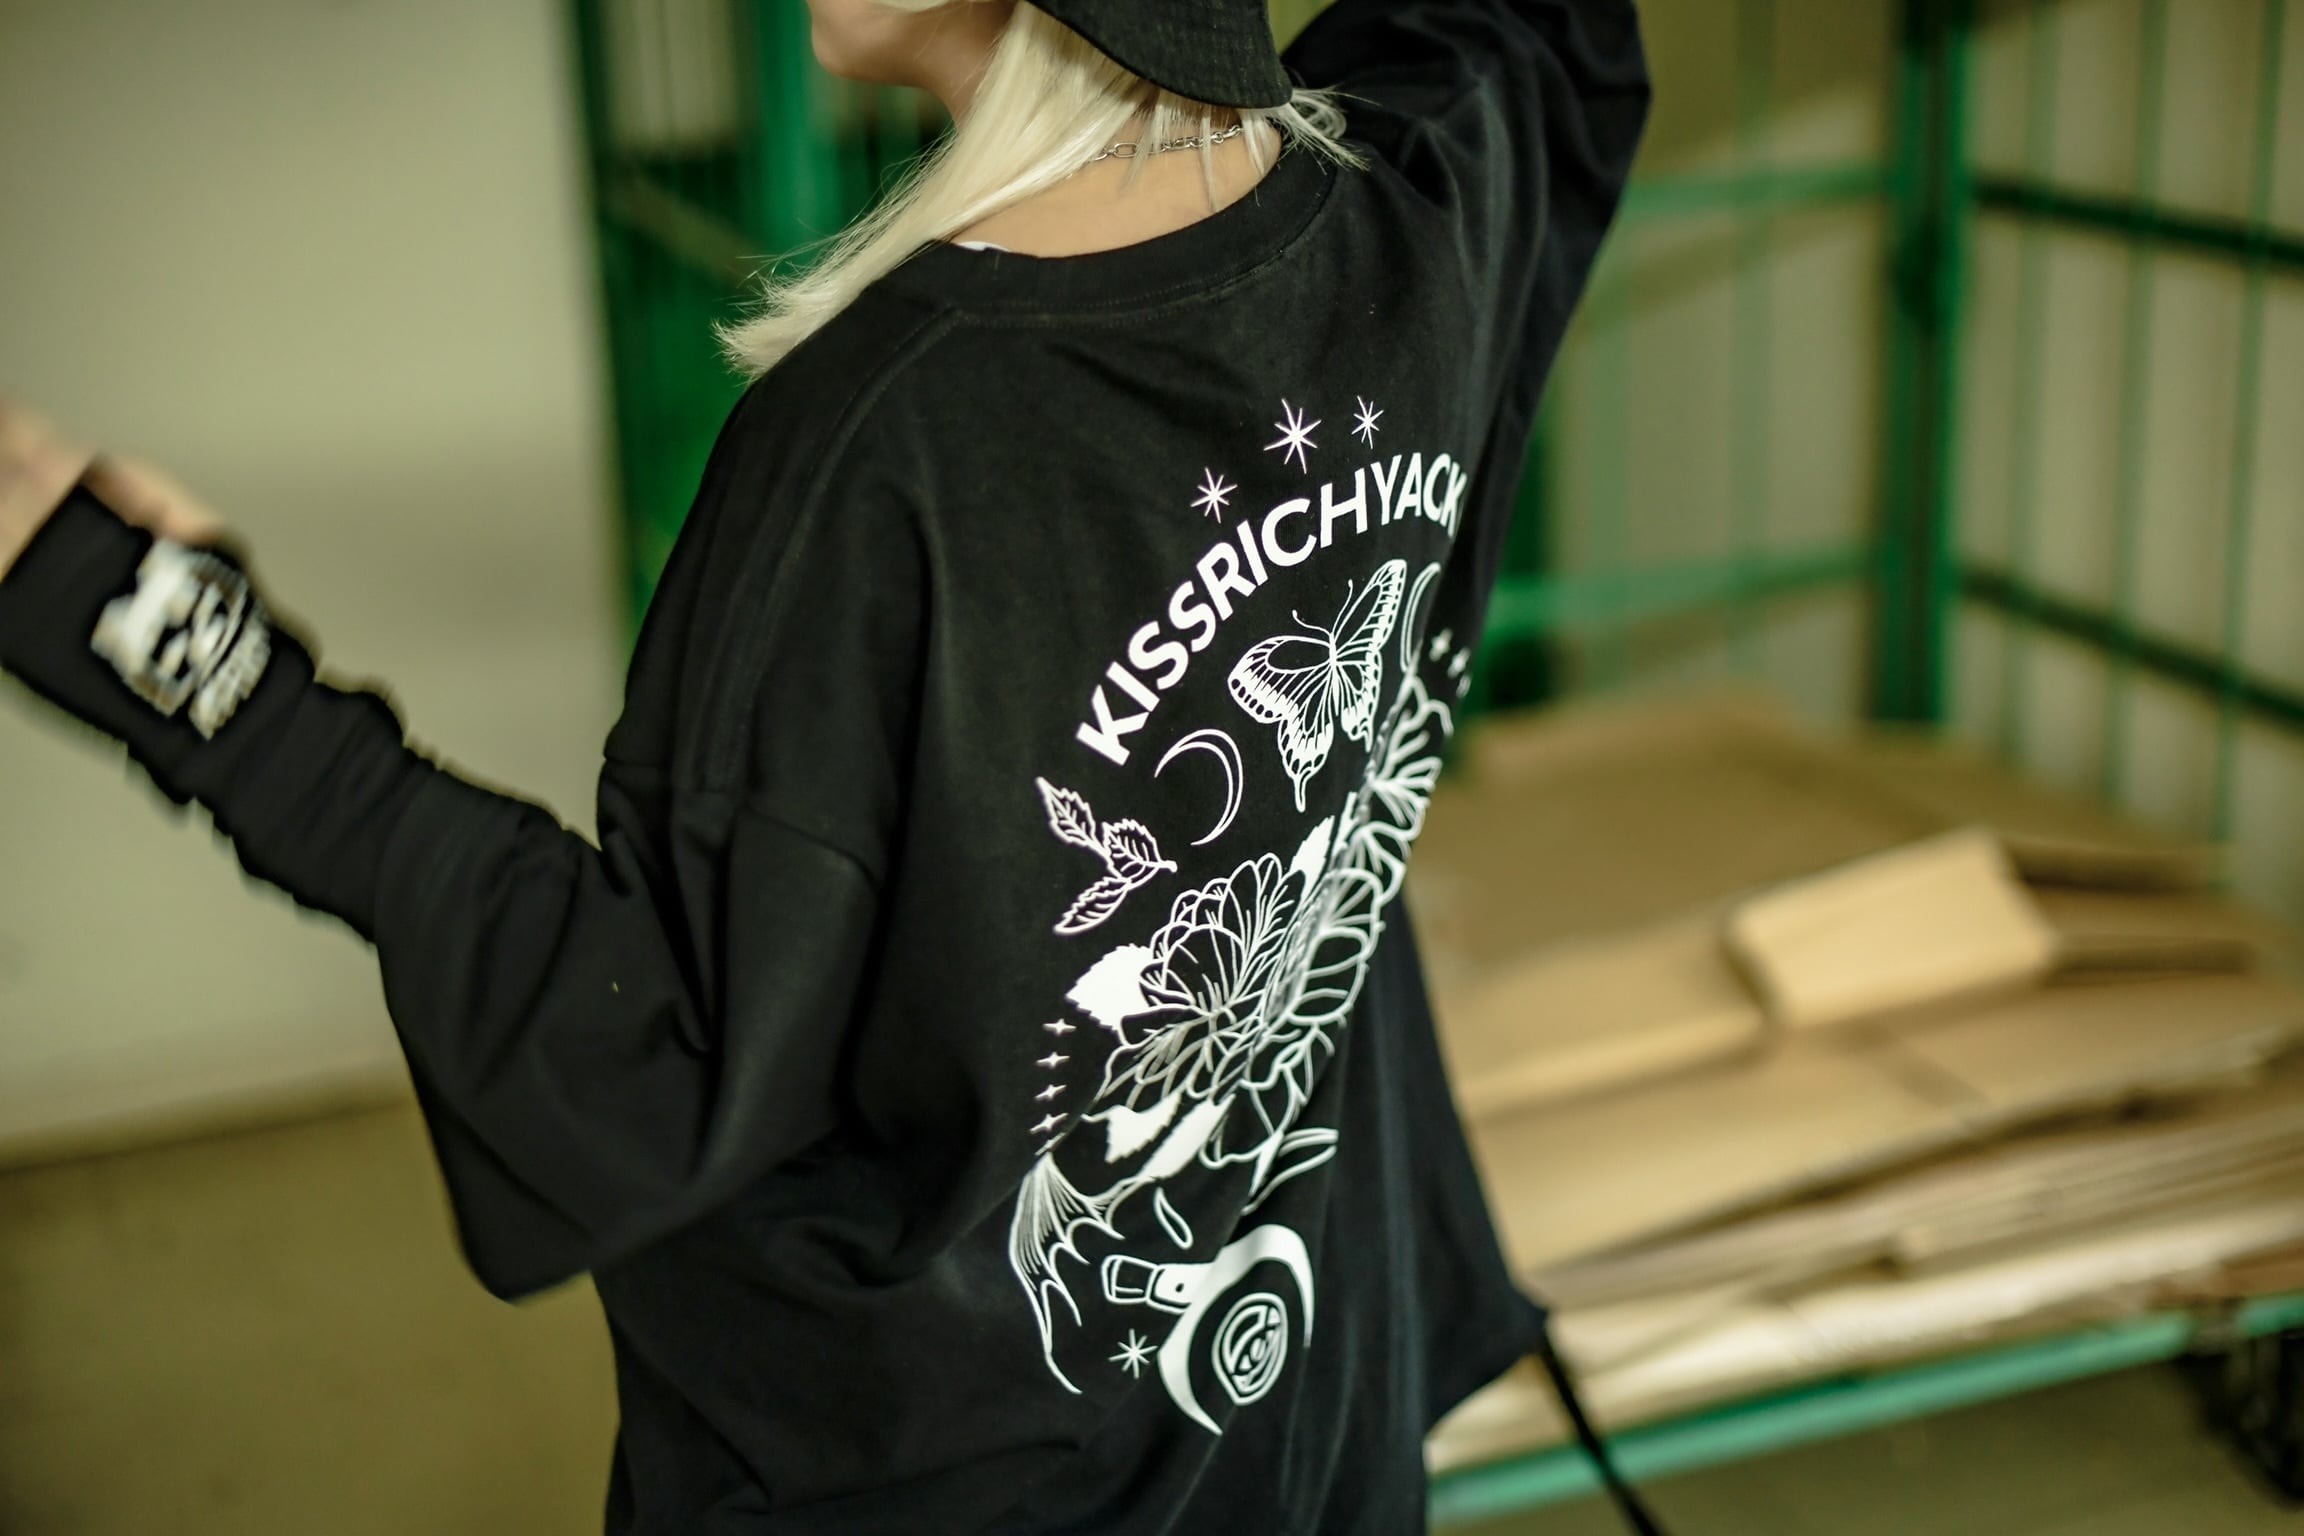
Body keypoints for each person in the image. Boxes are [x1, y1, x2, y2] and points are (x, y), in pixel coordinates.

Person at [0, 0, 1650, 1529]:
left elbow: (645, 1061)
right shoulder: (1427, 204)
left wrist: (187, 659)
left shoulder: (878, 456)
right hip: (1312, 1449)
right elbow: (1553, 35)